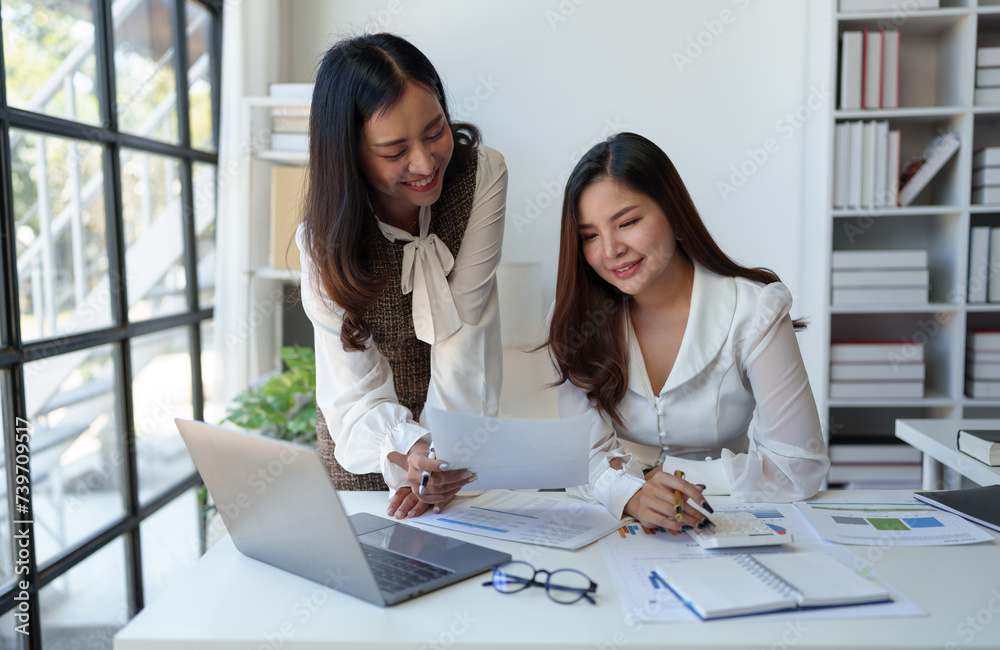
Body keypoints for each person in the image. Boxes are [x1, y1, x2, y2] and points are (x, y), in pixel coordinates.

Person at [546, 132, 829, 530]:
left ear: (674, 214)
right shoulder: (576, 321)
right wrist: (633, 495)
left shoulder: (756, 311)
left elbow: (800, 465)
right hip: (630, 530)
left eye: (626, 222)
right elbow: (579, 462)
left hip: (736, 519)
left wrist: (651, 485)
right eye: (590, 236)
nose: (610, 250)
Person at [297, 33, 507, 519]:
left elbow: (465, 333)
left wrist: (440, 459)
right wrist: (408, 451)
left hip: (456, 447)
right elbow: (352, 387)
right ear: (349, 153)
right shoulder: (322, 241)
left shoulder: (481, 178)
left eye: (435, 132)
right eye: (394, 152)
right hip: (366, 464)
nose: (425, 162)